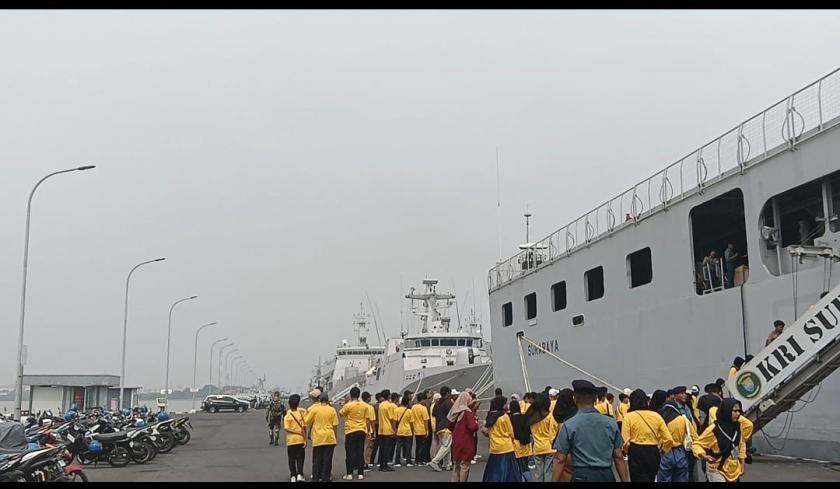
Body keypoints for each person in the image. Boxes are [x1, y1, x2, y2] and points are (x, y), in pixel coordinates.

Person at [552, 380, 629, 482]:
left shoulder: (569, 424)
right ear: (595, 398)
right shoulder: (610, 423)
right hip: (605, 474)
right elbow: (618, 456)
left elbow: (560, 459)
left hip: (581, 475)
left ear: (575, 399)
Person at [621, 388, 674, 482]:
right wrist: (663, 450)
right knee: (651, 478)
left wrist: (625, 451)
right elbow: (668, 439)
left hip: (636, 451)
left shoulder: (629, 417)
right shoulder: (656, 416)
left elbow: (625, 441)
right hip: (653, 451)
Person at [692, 398, 747, 482]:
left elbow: (741, 445)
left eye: (739, 411)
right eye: (735, 411)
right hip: (716, 469)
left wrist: (742, 464)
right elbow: (697, 444)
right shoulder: (714, 429)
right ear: (726, 411)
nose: (738, 414)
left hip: (733, 469)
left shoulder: (738, 427)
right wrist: (704, 456)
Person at [657, 388, 699, 482]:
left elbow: (658, 438)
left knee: (664, 478)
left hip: (665, 452)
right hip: (681, 451)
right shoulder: (682, 419)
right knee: (681, 477)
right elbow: (695, 437)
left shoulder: (660, 421)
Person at [480, 395, 519, 482]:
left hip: (494, 447)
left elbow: (488, 432)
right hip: (506, 447)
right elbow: (511, 433)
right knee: (509, 473)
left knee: (494, 471)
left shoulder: (490, 417)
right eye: (505, 404)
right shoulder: (504, 417)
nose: (506, 405)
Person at [338, 387, 371, 480]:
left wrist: (346, 402)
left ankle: (349, 474)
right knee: (360, 452)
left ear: (351, 395)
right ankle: (360, 473)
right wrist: (368, 431)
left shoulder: (349, 405)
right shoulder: (365, 405)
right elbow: (367, 419)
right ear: (359, 394)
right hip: (361, 430)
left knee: (350, 453)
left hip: (351, 430)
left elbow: (341, 414)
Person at [447, 389, 480, 482]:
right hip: (465, 440)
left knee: (456, 465)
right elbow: (473, 427)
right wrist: (476, 420)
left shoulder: (454, 411)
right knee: (464, 465)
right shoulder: (467, 412)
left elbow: (449, 425)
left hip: (456, 440)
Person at [305, 393, 339, 482]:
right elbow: (335, 425)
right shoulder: (332, 410)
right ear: (327, 400)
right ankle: (326, 477)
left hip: (318, 436)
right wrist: (335, 437)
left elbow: (306, 421)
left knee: (317, 459)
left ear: (319, 400)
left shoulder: (315, 409)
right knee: (327, 459)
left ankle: (315, 477)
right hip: (329, 436)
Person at [527, 391, 559, 482]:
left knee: (538, 472)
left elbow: (531, 431)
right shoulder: (549, 416)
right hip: (549, 447)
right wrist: (551, 442)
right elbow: (553, 431)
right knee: (548, 472)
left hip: (537, 447)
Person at [428, 386, 453, 472]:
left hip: (439, 426)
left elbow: (434, 414)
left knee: (446, 445)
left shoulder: (437, 403)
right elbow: (451, 415)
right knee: (446, 446)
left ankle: (447, 464)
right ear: (447, 393)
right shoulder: (448, 402)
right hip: (446, 426)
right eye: (450, 393)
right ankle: (435, 461)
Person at [284, 394, 307, 482]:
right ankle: (300, 474)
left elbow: (286, 428)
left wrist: (294, 432)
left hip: (291, 440)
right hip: (300, 439)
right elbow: (304, 427)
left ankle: (293, 475)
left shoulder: (287, 416)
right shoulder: (301, 414)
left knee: (291, 459)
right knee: (300, 458)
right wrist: (305, 439)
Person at [509, 400, 533, 482]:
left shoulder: (510, 419)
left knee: (518, 467)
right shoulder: (524, 417)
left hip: (516, 446)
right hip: (526, 445)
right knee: (525, 466)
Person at [377, 389, 398, 472]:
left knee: (382, 448)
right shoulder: (389, 405)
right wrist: (394, 429)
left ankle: (381, 464)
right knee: (387, 448)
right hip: (388, 429)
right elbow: (392, 418)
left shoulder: (381, 405)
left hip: (381, 428)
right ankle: (385, 465)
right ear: (389, 395)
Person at [394, 392, 415, 467]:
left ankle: (397, 461)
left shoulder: (397, 410)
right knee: (408, 447)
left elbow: (395, 421)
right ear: (407, 402)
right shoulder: (409, 411)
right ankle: (408, 461)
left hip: (399, 430)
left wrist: (395, 429)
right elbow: (411, 422)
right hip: (408, 431)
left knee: (398, 447)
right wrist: (412, 431)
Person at [411, 391, 432, 465]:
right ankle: (421, 460)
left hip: (415, 428)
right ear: (422, 400)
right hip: (422, 428)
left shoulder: (413, 407)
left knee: (417, 445)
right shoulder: (423, 408)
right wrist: (427, 430)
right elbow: (426, 420)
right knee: (422, 446)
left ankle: (417, 459)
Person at [361, 391, 377, 472]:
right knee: (367, 448)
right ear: (367, 398)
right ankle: (365, 465)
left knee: (359, 448)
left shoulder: (359, 405)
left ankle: (358, 464)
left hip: (359, 429)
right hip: (368, 429)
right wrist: (374, 432)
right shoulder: (370, 407)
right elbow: (372, 421)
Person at [367, 392, 383, 469]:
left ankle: (371, 460)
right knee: (380, 444)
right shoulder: (381, 406)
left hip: (375, 424)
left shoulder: (374, 406)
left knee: (374, 444)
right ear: (380, 398)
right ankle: (380, 461)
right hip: (379, 424)